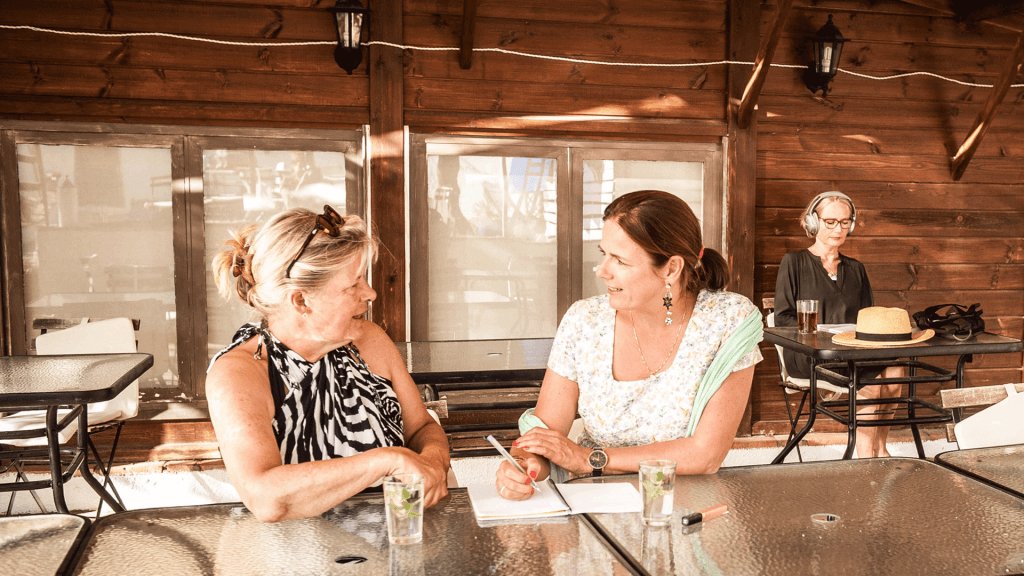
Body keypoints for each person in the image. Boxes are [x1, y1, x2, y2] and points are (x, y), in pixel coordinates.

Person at [496, 190, 764, 500]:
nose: (602, 270)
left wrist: (590, 459)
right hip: (592, 504)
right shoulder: (584, 320)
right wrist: (524, 465)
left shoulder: (727, 321)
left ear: (671, 269)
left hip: (684, 510)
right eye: (603, 253)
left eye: (621, 261)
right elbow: (547, 434)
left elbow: (706, 454)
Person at [206, 205, 450, 522]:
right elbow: (265, 498)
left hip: (394, 550)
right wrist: (387, 460)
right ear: (301, 300)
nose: (371, 293)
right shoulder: (239, 373)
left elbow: (421, 428)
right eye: (353, 284)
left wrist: (433, 460)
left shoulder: (370, 340)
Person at [774, 191, 903, 458]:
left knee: (895, 368)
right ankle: (867, 456)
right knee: (869, 380)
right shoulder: (793, 262)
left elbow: (869, 318)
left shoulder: (856, 268)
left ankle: (881, 446)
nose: (838, 228)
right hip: (809, 353)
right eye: (830, 221)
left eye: (845, 222)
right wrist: (821, 334)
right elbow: (783, 318)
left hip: (852, 350)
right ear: (813, 222)